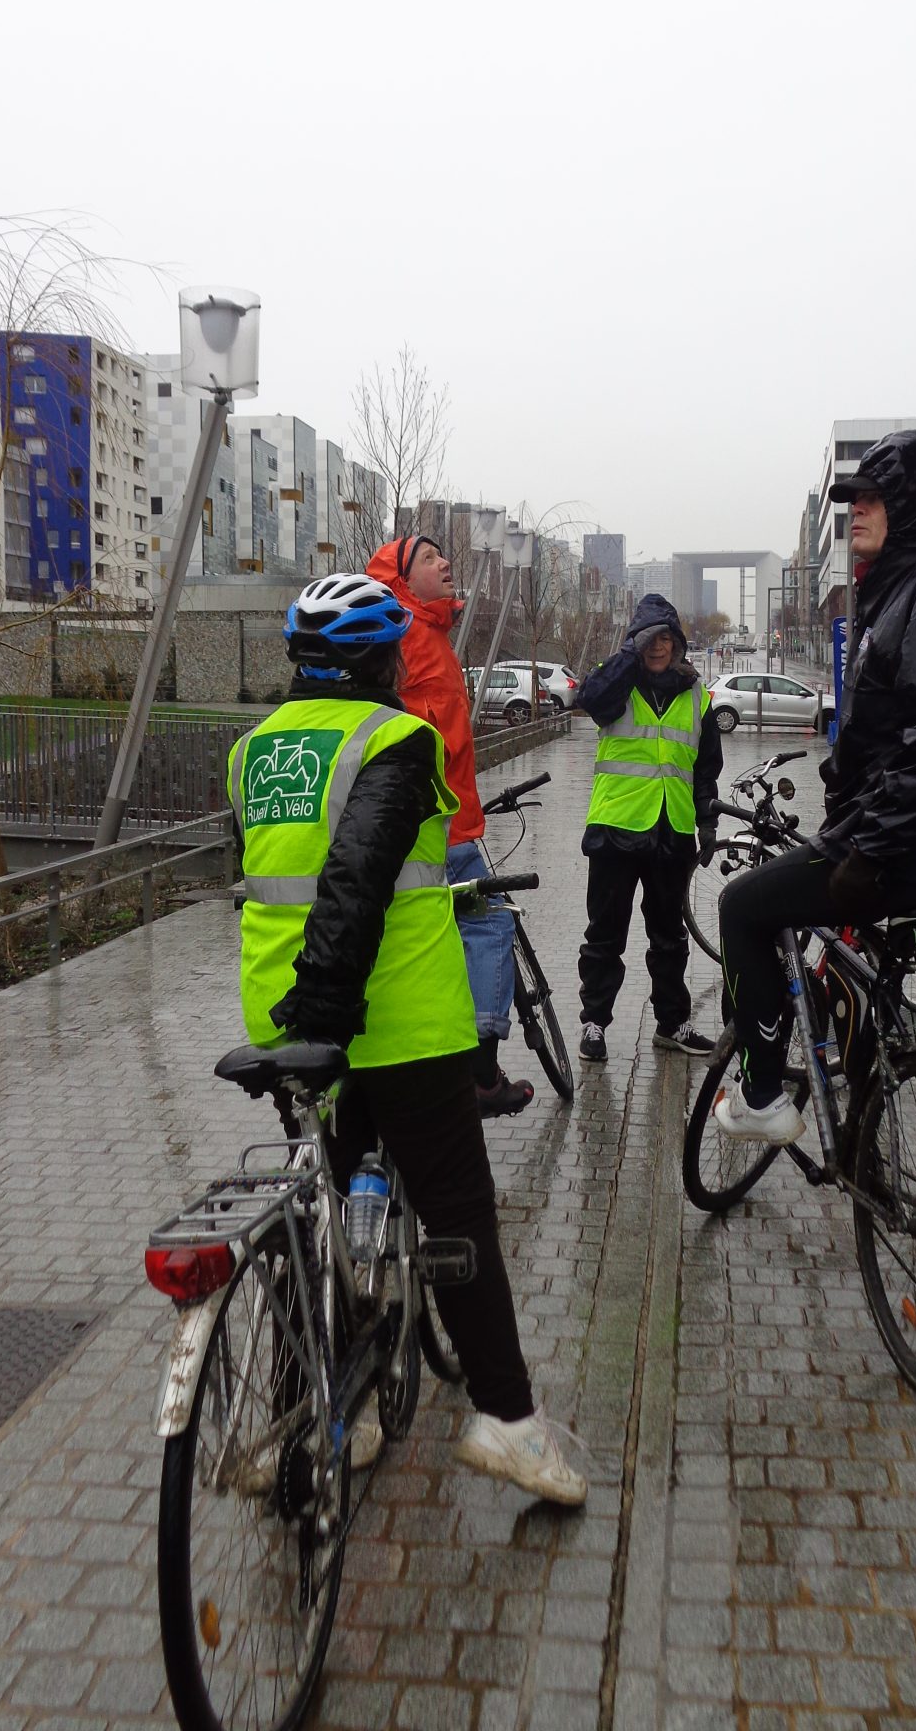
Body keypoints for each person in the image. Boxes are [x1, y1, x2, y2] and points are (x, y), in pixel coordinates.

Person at [226, 573, 584, 1504]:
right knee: (459, 1211)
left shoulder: (251, 751)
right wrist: (329, 1010)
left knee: (322, 1208)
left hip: (280, 1016)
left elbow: (268, 873)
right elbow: (356, 876)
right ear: (384, 662)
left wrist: (304, 1021)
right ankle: (509, 1424)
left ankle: (313, 1417)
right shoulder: (398, 740)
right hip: (387, 1020)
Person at [715, 429, 916, 1314]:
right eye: (851, 504)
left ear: (913, 505)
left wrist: (871, 850)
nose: (856, 516)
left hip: (913, 857)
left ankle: (765, 1095)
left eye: (873, 502)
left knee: (742, 909)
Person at [367, 534, 533, 1118]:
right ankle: (481, 1074)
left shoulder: (428, 632)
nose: (445, 563)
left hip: (447, 814)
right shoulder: (403, 632)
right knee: (490, 924)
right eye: (429, 558)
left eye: (442, 555)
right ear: (402, 578)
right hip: (437, 826)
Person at [576, 592, 721, 1063]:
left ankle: (672, 1023)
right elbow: (588, 698)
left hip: (672, 831)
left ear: (677, 644)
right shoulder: (618, 683)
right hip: (615, 829)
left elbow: (706, 768)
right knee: (605, 935)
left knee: (670, 937)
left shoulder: (697, 694)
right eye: (647, 638)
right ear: (634, 643)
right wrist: (627, 653)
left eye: (665, 637)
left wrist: (707, 822)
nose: (657, 646)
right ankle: (594, 1023)